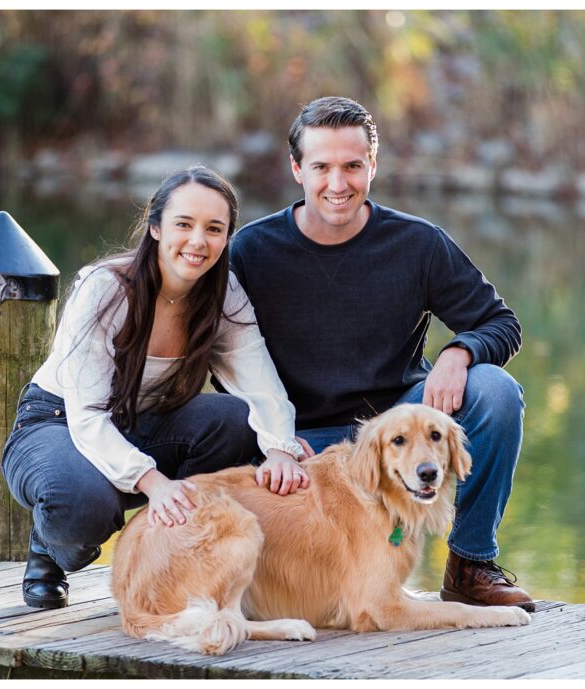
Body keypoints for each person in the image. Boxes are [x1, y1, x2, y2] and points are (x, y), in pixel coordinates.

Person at [228, 97, 533, 611]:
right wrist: (275, 437)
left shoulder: (417, 244)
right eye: (321, 167)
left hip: (393, 430)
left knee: (496, 393)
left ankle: (470, 564)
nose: (337, 183)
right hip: (290, 435)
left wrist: (460, 351)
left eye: (352, 166)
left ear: (373, 165)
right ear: (297, 169)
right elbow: (219, 358)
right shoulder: (251, 251)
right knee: (205, 419)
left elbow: (502, 323)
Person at [2, 166, 308, 610]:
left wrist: (281, 449)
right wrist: (154, 483)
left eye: (214, 229)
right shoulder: (105, 288)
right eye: (184, 224)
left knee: (238, 421)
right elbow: (88, 417)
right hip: (58, 423)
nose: (198, 241)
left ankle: (173, 551)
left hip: (146, 422)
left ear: (227, 238)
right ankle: (51, 549)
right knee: (83, 505)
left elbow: (259, 380)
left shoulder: (223, 294)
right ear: (156, 227)